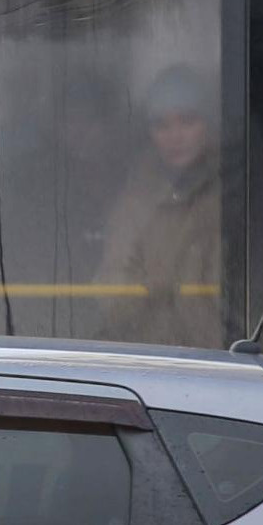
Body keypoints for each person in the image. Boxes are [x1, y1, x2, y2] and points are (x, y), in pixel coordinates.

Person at [93, 65, 223, 347]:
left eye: (187, 121)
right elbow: (110, 298)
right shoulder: (134, 203)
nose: (175, 136)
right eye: (162, 125)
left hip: (225, 362)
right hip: (149, 361)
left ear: (209, 124)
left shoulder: (240, 194)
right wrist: (155, 284)